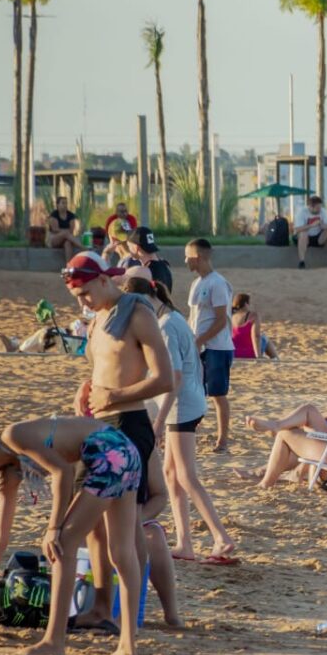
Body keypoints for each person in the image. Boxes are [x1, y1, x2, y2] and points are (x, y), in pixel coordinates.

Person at [0, 419, 143, 655]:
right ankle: (127, 648)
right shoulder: (9, 473)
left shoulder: (14, 437)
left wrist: (54, 528)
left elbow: (63, 472)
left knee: (62, 546)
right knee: (121, 553)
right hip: (125, 451)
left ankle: (54, 642)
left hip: (107, 452)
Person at [64, 252, 179, 630]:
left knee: (125, 530)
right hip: (100, 424)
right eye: (76, 296)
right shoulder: (98, 319)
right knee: (96, 525)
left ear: (103, 279)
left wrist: (114, 396)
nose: (82, 301)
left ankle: (136, 612)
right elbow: (105, 368)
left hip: (129, 422)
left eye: (84, 292)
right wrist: (89, 388)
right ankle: (100, 607)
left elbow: (165, 379)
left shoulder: (138, 314)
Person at [124, 276, 236, 562]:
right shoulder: (173, 318)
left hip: (181, 407)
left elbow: (173, 378)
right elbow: (191, 366)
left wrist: (159, 422)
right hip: (187, 402)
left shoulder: (166, 327)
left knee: (186, 475)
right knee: (172, 476)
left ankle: (221, 538)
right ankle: (184, 543)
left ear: (145, 301)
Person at [185, 238, 234, 452]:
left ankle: (223, 440)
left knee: (217, 393)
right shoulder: (197, 283)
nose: (185, 260)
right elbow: (194, 316)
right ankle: (189, 433)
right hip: (199, 346)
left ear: (198, 258)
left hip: (217, 347)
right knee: (194, 390)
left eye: (187, 256)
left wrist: (200, 340)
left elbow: (221, 319)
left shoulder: (217, 283)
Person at [293, 195, 327, 269]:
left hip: (318, 238)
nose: (319, 209)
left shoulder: (323, 211)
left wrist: (323, 225)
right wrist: (311, 225)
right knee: (303, 233)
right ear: (310, 207)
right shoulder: (302, 212)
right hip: (305, 238)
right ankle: (302, 261)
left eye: (320, 207)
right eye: (317, 208)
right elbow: (297, 229)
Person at [231, 293, 279, 360]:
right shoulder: (253, 316)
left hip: (233, 354)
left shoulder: (230, 316)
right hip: (249, 353)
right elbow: (256, 336)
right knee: (264, 338)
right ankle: (276, 359)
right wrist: (258, 356)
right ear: (246, 304)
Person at [125, 226, 173, 292]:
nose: (128, 250)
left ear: (136, 248)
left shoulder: (144, 272)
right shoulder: (165, 266)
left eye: (129, 246)